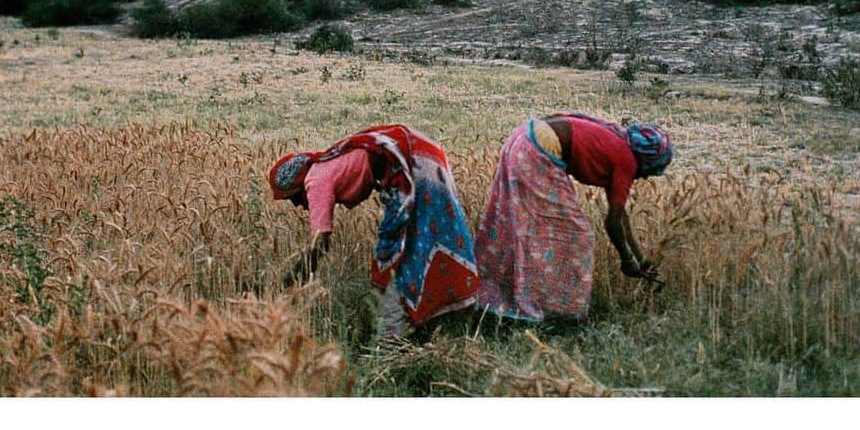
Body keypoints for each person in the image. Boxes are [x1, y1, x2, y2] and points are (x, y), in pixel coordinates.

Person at [268, 125, 479, 337]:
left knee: (392, 256)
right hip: (421, 154)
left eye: (292, 198)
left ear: (297, 187)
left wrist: (290, 280)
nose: (296, 205)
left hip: (409, 161)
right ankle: (445, 316)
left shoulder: (315, 181)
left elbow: (320, 243)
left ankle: (394, 333)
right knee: (429, 237)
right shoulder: (324, 164)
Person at [475, 112, 673, 324]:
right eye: (650, 171)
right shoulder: (627, 160)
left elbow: (620, 215)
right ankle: (556, 311)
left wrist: (639, 259)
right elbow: (613, 223)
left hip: (523, 138)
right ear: (645, 161)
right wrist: (626, 260)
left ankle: (501, 294)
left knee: (522, 225)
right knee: (575, 235)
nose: (644, 177)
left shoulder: (618, 142)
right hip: (536, 151)